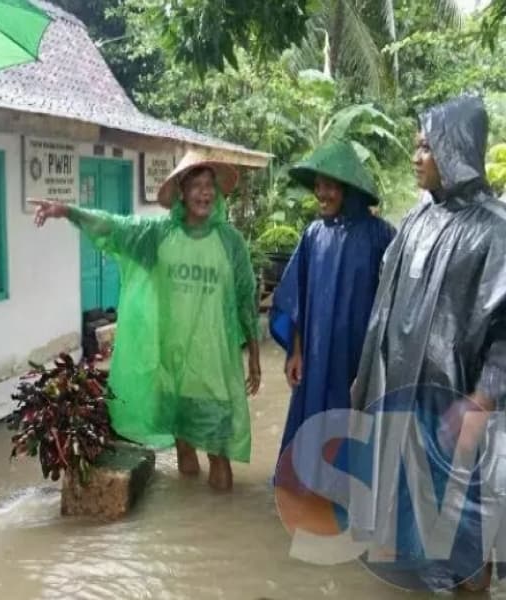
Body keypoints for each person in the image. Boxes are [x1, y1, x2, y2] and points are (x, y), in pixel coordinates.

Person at [30, 150, 261, 492]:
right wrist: (69, 212)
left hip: (214, 369)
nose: (204, 193)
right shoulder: (157, 236)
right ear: (182, 192)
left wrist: (255, 357)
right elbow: (116, 227)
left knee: (219, 454)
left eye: (210, 185)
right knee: (183, 446)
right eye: (196, 185)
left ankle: (219, 517)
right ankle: (191, 531)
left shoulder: (230, 243)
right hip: (173, 368)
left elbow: (245, 300)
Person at [348, 95, 506, 593]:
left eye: (426, 146)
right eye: (416, 146)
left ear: (455, 149)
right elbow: (385, 312)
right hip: (405, 398)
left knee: (469, 522)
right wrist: (367, 376)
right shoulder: (417, 219)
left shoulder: (495, 230)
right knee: (413, 514)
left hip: (460, 404)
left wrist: (482, 399)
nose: (416, 157)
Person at [270, 140, 395, 492]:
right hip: (316, 353)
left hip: (358, 357)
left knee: (354, 420)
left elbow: (396, 300)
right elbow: (295, 297)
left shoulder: (380, 235)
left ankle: (349, 493)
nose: (321, 193)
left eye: (330, 186)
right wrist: (295, 352)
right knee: (313, 418)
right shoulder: (314, 235)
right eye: (318, 186)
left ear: (349, 189)